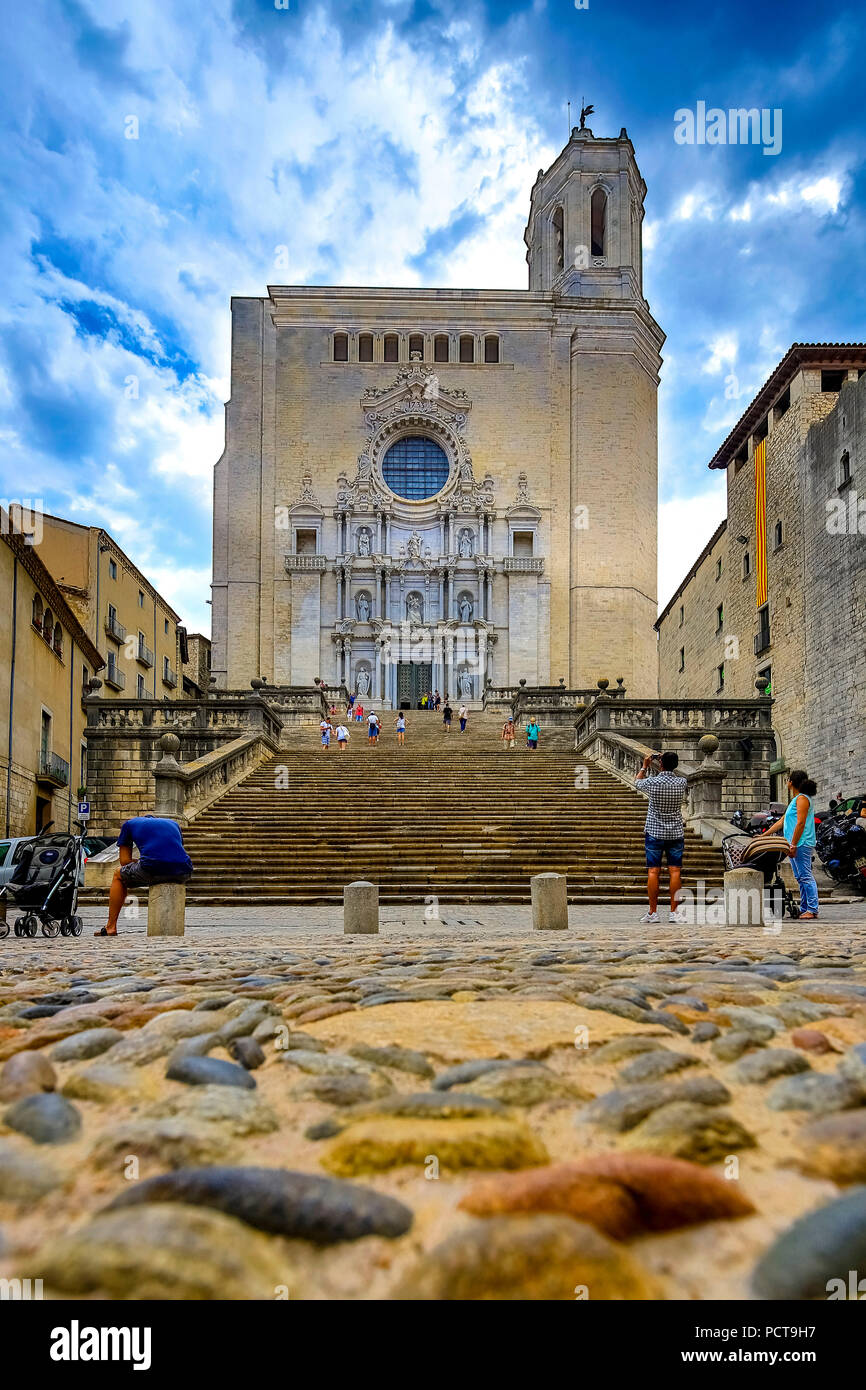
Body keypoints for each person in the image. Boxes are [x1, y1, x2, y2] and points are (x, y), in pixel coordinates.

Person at [96, 814, 192, 937]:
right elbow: (173, 853)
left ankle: (110, 926)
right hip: (184, 870)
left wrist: (141, 861)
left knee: (118, 875)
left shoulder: (129, 824)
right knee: (159, 867)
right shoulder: (173, 824)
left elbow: (124, 861)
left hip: (153, 868)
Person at [635, 751, 689, 924]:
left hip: (654, 832)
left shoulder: (653, 782)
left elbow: (637, 782)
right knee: (675, 871)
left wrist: (645, 766)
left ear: (661, 764)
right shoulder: (682, 782)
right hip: (675, 832)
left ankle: (653, 912)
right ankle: (674, 912)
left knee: (653, 871)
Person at [764, 769, 820, 919]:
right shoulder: (795, 800)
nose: (786, 781)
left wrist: (794, 844)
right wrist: (763, 835)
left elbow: (801, 823)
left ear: (792, 782)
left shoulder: (802, 799)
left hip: (801, 843)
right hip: (795, 843)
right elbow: (781, 822)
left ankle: (812, 909)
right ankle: (805, 907)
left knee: (805, 876)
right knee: (800, 877)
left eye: (788, 779)